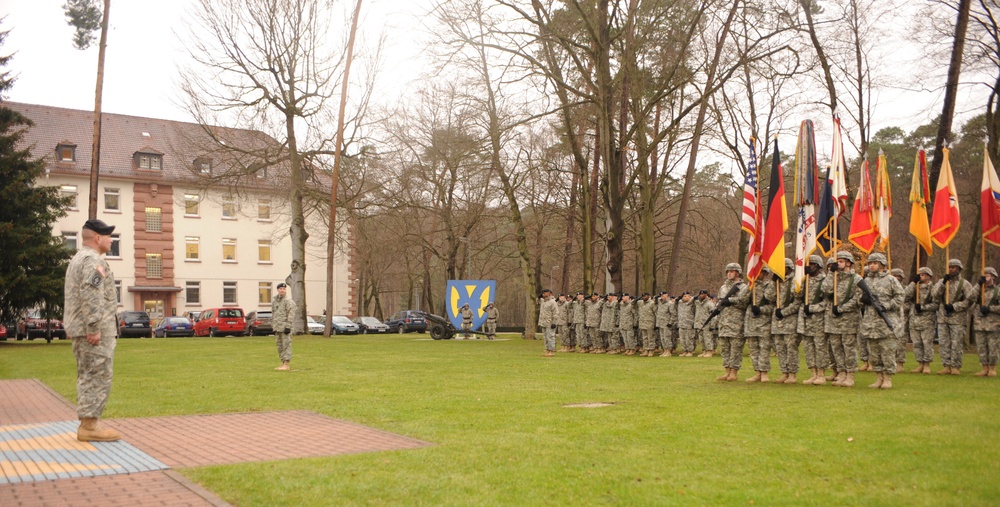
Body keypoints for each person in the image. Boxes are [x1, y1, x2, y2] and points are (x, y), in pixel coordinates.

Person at [64, 219, 121, 442]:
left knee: (88, 374)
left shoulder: (79, 259)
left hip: (83, 329)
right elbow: (91, 294)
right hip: (93, 332)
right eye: (108, 236)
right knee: (97, 375)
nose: (111, 240)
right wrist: (94, 327)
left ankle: (89, 423)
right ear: (97, 238)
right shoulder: (93, 261)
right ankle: (89, 426)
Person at [860, 253, 904, 389]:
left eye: (875, 263)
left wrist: (886, 305)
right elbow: (857, 299)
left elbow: (900, 297)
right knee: (874, 353)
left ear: (882, 265)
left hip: (886, 322)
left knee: (887, 351)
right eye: (870, 263)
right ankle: (879, 377)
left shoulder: (891, 280)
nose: (871, 265)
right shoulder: (865, 281)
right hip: (870, 323)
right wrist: (863, 300)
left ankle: (888, 378)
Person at [823, 251, 864, 387]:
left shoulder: (855, 278)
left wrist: (841, 308)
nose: (838, 263)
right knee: (836, 347)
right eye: (837, 261)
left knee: (848, 348)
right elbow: (825, 289)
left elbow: (858, 299)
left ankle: (850, 374)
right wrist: (830, 273)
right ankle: (841, 372)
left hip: (848, 319)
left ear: (848, 263)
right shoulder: (833, 277)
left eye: (841, 261)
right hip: (833, 319)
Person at [932, 259, 976, 375]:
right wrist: (942, 284)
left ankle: (955, 366)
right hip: (943, 317)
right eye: (949, 267)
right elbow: (935, 295)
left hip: (958, 318)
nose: (951, 269)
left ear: (959, 269)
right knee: (944, 342)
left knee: (956, 343)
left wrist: (955, 306)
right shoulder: (942, 281)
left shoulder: (964, 284)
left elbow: (970, 300)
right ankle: (946, 365)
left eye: (953, 267)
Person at [715, 263, 750, 382]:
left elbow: (744, 301)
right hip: (724, 322)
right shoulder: (723, 287)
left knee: (735, 349)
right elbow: (719, 301)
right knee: (725, 349)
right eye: (728, 271)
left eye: (732, 271)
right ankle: (727, 371)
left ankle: (734, 372)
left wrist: (730, 300)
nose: (729, 273)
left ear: (738, 273)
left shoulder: (744, 287)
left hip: (736, 322)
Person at [799, 255, 828, 385]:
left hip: (819, 319)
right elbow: (797, 295)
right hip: (806, 320)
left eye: (812, 264)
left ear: (818, 266)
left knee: (820, 347)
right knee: (808, 347)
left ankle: (821, 374)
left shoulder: (825, 281)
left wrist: (813, 308)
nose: (809, 266)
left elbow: (828, 302)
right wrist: (800, 279)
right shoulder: (804, 280)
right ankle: (813, 372)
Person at [771, 258, 801, 384]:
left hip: (790, 320)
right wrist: (773, 283)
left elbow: (798, 302)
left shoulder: (795, 282)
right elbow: (768, 296)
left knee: (791, 347)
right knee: (780, 348)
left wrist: (784, 312)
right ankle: (784, 372)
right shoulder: (777, 282)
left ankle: (792, 374)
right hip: (777, 322)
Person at [744, 267, 774, 383]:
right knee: (754, 350)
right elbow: (742, 300)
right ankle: (757, 372)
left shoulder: (769, 286)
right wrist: (749, 287)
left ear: (765, 273)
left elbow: (773, 306)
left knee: (764, 349)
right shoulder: (751, 286)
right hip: (751, 323)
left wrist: (761, 310)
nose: (757, 274)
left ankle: (764, 373)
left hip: (764, 323)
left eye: (760, 272)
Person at [905, 267, 937, 373]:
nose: (921, 276)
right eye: (920, 275)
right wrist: (913, 283)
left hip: (927, 319)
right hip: (914, 318)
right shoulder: (915, 286)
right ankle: (920, 363)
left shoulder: (933, 288)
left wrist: (923, 307)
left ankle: (927, 364)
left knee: (926, 342)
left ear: (929, 276)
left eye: (923, 275)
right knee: (917, 343)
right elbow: (905, 295)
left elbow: (936, 304)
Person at [972, 268, 1000, 377]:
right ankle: (984, 368)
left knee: (993, 347)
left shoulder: (997, 291)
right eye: (984, 275)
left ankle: (992, 368)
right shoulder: (979, 290)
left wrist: (990, 309)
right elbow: (970, 297)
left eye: (987, 275)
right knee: (981, 347)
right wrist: (978, 284)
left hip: (993, 324)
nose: (985, 277)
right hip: (980, 323)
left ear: (993, 276)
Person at [272, 282, 296, 370]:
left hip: (286, 327)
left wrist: (288, 326)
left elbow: (291, 314)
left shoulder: (288, 301)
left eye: (284, 289)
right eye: (280, 289)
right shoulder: (275, 301)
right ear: (278, 290)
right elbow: (274, 314)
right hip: (278, 327)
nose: (282, 290)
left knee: (286, 345)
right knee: (280, 346)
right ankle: (282, 363)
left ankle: (286, 364)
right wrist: (274, 326)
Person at [891, 268, 910, 372]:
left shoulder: (905, 289)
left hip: (902, 319)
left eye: (898, 276)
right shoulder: (888, 288)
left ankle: (900, 362)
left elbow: (907, 303)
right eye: (894, 276)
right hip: (890, 318)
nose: (896, 278)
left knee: (901, 341)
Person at [694, 290, 716, 357]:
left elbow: (714, 315)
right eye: (700, 294)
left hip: (707, 324)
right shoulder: (698, 303)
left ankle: (709, 351)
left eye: (703, 294)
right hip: (699, 323)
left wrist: (712, 325)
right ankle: (704, 351)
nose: (701, 295)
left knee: (707, 338)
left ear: (706, 295)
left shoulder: (710, 303)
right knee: (701, 339)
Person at [538, 289, 558, 357]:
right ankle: (547, 349)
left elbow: (556, 312)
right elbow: (537, 302)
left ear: (549, 294)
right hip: (543, 322)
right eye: (543, 293)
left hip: (550, 322)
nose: (544, 294)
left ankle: (551, 350)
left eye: (546, 293)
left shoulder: (552, 302)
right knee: (545, 337)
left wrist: (554, 322)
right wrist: (539, 297)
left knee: (550, 336)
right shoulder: (543, 301)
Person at [676, 292, 696, 357]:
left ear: (689, 297)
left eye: (686, 296)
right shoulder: (680, 303)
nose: (684, 297)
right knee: (682, 339)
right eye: (683, 296)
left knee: (689, 339)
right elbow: (673, 304)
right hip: (681, 323)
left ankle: (690, 351)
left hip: (689, 323)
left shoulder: (692, 303)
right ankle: (684, 351)